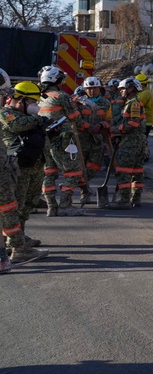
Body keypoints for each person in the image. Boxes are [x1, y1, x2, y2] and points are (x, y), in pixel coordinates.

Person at [0, 80, 49, 254]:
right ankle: (11, 242)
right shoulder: (6, 113)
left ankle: (20, 235)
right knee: (16, 205)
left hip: (35, 165)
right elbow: (16, 125)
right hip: (19, 167)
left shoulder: (29, 117)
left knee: (29, 203)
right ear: (21, 101)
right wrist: (37, 118)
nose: (36, 106)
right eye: (33, 102)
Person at [37, 66, 86, 216]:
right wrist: (89, 127)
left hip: (45, 140)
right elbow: (75, 116)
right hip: (63, 140)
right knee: (73, 171)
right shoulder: (61, 96)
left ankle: (51, 206)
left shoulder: (39, 96)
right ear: (56, 80)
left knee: (49, 172)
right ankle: (65, 205)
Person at [109, 77, 146, 209]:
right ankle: (136, 198)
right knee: (137, 170)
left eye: (123, 89)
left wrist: (117, 129)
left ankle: (124, 200)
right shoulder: (129, 102)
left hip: (131, 142)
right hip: (135, 141)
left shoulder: (133, 103)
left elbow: (134, 123)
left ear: (131, 88)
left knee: (123, 170)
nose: (121, 91)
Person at [75, 76, 111, 205]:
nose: (92, 91)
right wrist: (87, 127)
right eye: (89, 88)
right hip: (81, 139)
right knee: (79, 167)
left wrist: (102, 125)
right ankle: (84, 192)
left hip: (97, 140)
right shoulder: (78, 102)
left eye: (94, 88)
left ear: (99, 88)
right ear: (84, 89)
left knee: (94, 166)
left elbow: (109, 120)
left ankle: (82, 183)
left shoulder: (105, 103)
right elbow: (74, 118)